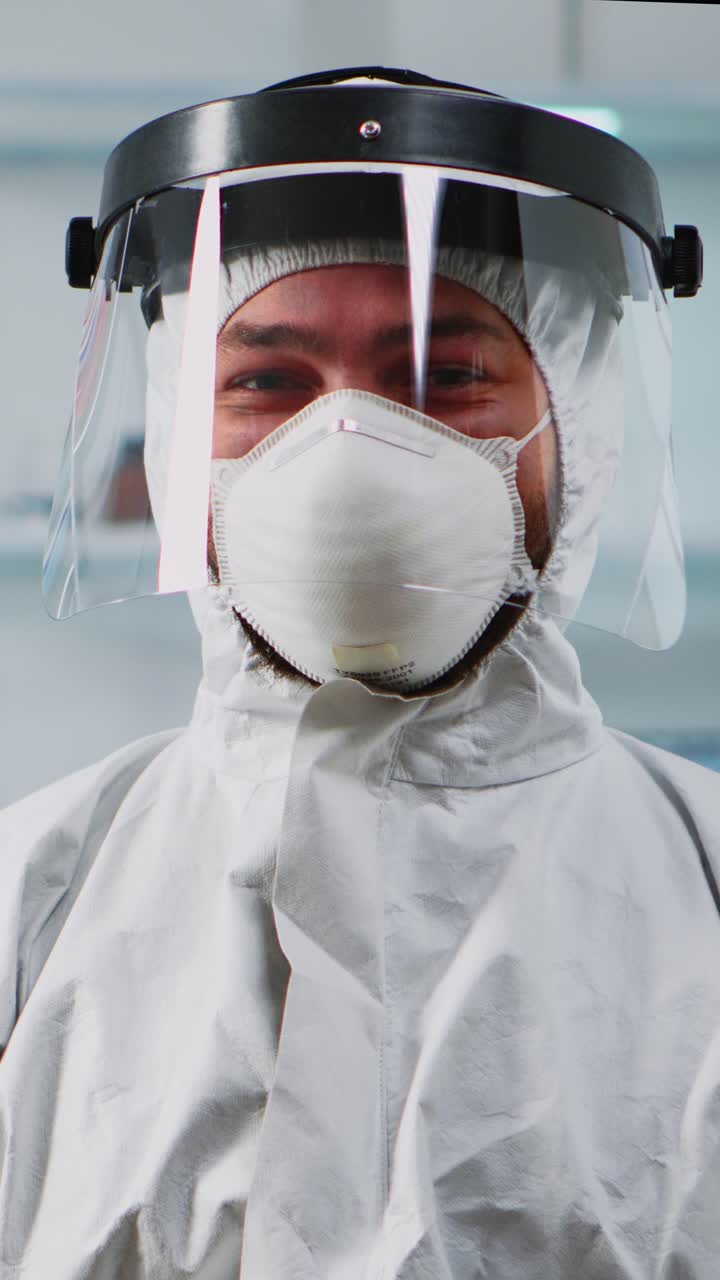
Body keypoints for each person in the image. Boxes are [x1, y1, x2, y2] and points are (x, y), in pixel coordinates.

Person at [0, 66, 718, 1279]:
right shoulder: (32, 903)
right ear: (187, 438)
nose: (345, 452)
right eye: (267, 382)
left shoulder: (703, 888)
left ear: (573, 425)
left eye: (441, 379)